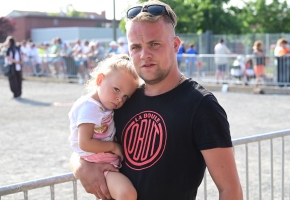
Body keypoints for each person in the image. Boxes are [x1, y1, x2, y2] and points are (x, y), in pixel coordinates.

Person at [70, 1, 243, 200]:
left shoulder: (201, 105)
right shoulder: (124, 98)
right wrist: (80, 166)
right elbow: (84, 143)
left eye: (154, 44)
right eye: (136, 47)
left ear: (175, 45)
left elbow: (230, 190)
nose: (144, 55)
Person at [68, 54, 140, 200]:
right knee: (127, 194)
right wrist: (114, 147)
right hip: (99, 164)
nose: (120, 98)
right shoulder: (90, 107)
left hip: (106, 162)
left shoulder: (104, 106)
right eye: (116, 89)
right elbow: (85, 143)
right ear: (100, 79)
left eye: (126, 96)